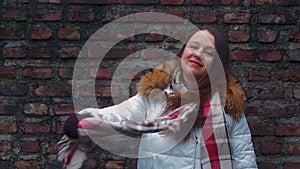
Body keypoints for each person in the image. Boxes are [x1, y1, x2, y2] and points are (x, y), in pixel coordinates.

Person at [57, 26, 258, 169]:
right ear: (183, 51)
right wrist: (84, 119)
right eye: (194, 46)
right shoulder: (156, 96)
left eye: (208, 52)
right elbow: (119, 115)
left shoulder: (229, 108)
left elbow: (245, 161)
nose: (197, 54)